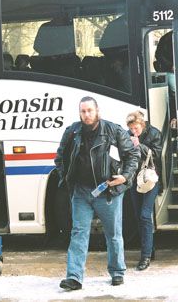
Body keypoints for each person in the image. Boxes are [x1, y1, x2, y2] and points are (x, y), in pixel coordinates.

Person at [54, 96, 140, 290]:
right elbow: (59, 158)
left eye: (90, 111)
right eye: (83, 111)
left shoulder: (113, 130)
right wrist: (67, 179)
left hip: (107, 191)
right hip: (81, 193)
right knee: (78, 233)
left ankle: (117, 272)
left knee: (113, 234)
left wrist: (125, 177)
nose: (86, 115)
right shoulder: (72, 132)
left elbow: (132, 155)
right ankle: (74, 277)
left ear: (97, 111)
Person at [126, 111, 162, 271]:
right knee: (138, 215)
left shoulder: (154, 133)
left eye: (136, 128)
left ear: (142, 124)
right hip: (135, 179)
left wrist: (138, 145)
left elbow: (157, 154)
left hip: (150, 179)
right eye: (132, 129)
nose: (134, 131)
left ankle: (145, 256)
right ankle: (150, 249)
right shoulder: (127, 134)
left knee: (145, 215)